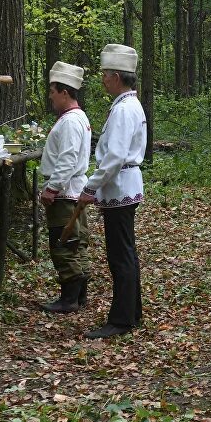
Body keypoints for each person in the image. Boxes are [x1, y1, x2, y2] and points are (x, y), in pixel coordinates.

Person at [78, 44, 147, 339]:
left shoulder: (124, 109)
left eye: (106, 74)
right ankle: (131, 313)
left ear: (117, 76)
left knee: (120, 255)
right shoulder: (128, 105)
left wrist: (91, 187)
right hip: (121, 188)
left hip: (119, 188)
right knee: (124, 253)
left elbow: (115, 157)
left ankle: (121, 319)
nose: (103, 79)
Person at [38, 62, 93, 313]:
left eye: (52, 91)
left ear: (64, 92)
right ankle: (79, 296)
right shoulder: (77, 118)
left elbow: (68, 158)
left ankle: (69, 299)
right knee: (76, 242)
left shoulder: (71, 121)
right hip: (73, 189)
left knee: (63, 244)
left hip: (65, 192)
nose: (50, 97)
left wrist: (52, 188)